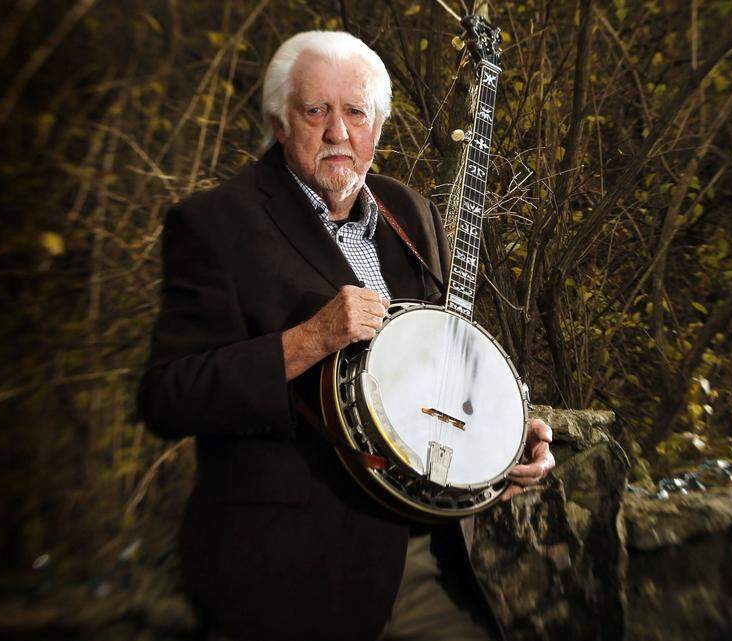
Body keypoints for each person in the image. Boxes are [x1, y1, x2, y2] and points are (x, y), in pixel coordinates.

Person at [136, 30, 555, 641]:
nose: (338, 132)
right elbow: (168, 395)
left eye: (356, 112)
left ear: (378, 128)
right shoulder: (216, 225)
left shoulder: (410, 214)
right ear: (281, 124)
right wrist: (310, 338)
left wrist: (505, 434)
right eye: (316, 111)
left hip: (422, 558)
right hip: (291, 574)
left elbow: (441, 365)